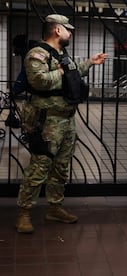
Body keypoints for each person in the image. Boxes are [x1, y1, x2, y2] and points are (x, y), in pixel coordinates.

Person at [15, 14, 108, 234]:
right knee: (40, 166)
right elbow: (39, 81)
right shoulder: (36, 54)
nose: (71, 33)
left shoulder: (60, 54)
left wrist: (90, 63)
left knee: (61, 167)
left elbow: (72, 72)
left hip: (66, 120)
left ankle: (54, 208)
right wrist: (63, 71)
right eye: (68, 29)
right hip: (47, 121)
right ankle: (24, 213)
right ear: (57, 30)